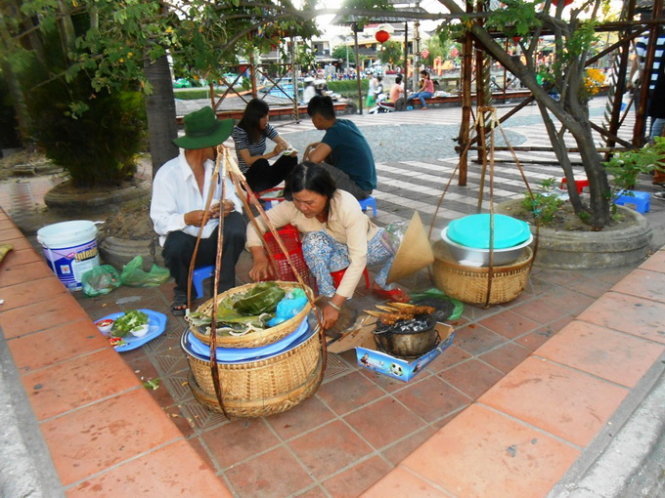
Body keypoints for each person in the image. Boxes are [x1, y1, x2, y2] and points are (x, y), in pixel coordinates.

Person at [246, 162, 408, 330]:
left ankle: (382, 283)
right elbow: (255, 225)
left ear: (327, 194)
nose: (302, 207)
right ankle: (327, 295)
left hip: (368, 245)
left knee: (405, 236)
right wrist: (259, 256)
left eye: (309, 202)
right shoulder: (291, 208)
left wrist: (336, 305)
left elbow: (358, 259)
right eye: (297, 200)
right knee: (312, 241)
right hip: (335, 256)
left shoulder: (345, 204)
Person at [150, 106, 247, 316]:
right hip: (187, 247)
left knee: (237, 223)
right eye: (217, 140)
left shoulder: (216, 168)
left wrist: (228, 206)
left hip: (217, 245)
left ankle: (224, 287)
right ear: (204, 145)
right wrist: (186, 218)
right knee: (176, 242)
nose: (220, 145)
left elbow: (234, 199)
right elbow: (160, 222)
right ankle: (184, 290)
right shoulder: (168, 175)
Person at [304, 95, 377, 200]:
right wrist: (320, 146)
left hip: (357, 189)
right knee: (325, 160)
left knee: (313, 167)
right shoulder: (346, 124)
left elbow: (315, 158)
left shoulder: (335, 132)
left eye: (312, 118)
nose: (312, 121)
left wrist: (311, 153)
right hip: (366, 186)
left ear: (318, 118)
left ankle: (314, 199)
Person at [232, 98, 298, 193]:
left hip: (264, 177)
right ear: (254, 118)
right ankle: (261, 191)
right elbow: (248, 160)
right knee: (261, 162)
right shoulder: (239, 131)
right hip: (249, 178)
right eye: (263, 117)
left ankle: (290, 191)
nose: (267, 119)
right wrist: (273, 153)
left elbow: (284, 143)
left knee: (291, 158)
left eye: (267, 115)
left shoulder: (265, 127)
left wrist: (290, 149)